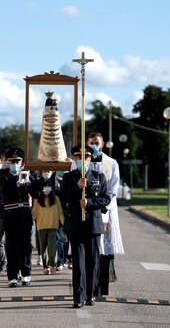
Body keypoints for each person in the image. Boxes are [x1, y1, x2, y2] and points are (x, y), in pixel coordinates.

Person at [61, 144, 112, 308]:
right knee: (78, 263)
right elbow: (63, 197)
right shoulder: (69, 177)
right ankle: (78, 297)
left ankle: (91, 295)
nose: (83, 160)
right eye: (79, 157)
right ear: (75, 159)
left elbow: (106, 199)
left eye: (86, 157)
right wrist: (77, 187)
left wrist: (89, 202)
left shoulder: (99, 176)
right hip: (76, 225)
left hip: (93, 226)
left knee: (93, 262)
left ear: (90, 159)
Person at [87, 131, 125, 296]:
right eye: (92, 143)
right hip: (88, 210)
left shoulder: (112, 163)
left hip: (106, 211)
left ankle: (102, 286)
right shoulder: (83, 162)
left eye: (97, 143)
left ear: (102, 144)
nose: (94, 146)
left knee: (104, 250)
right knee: (91, 248)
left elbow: (113, 188)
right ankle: (89, 285)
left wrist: (102, 204)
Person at [0, 147, 42, 287]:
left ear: (22, 162)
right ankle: (13, 276)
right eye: (12, 161)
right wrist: (18, 182)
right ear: (8, 162)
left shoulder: (27, 174)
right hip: (10, 214)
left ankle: (26, 273)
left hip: (24, 213)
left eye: (17, 161)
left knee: (26, 246)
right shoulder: (3, 175)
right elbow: (5, 190)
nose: (15, 163)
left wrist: (28, 182)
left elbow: (36, 194)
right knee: (11, 245)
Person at [32, 177, 64, 275]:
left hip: (53, 225)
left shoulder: (56, 199)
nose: (46, 188)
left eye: (48, 186)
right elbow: (34, 213)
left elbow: (60, 212)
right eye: (45, 186)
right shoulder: (38, 200)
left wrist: (63, 223)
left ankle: (53, 265)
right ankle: (45, 266)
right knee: (43, 247)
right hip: (41, 226)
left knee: (52, 247)